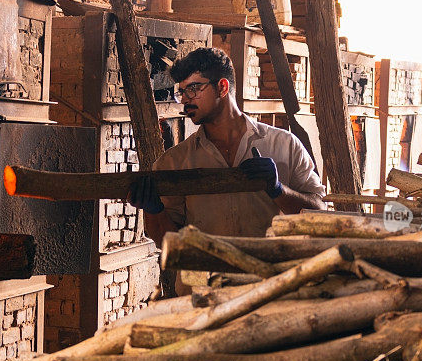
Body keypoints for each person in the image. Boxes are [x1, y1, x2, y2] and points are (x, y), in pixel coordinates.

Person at [128, 47, 326, 246]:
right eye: (182, 92)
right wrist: (154, 210)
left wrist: (278, 190)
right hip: (206, 276)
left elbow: (320, 215)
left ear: (222, 87)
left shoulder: (285, 145)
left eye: (193, 89)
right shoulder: (173, 162)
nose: (185, 100)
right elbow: (167, 242)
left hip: (268, 276)